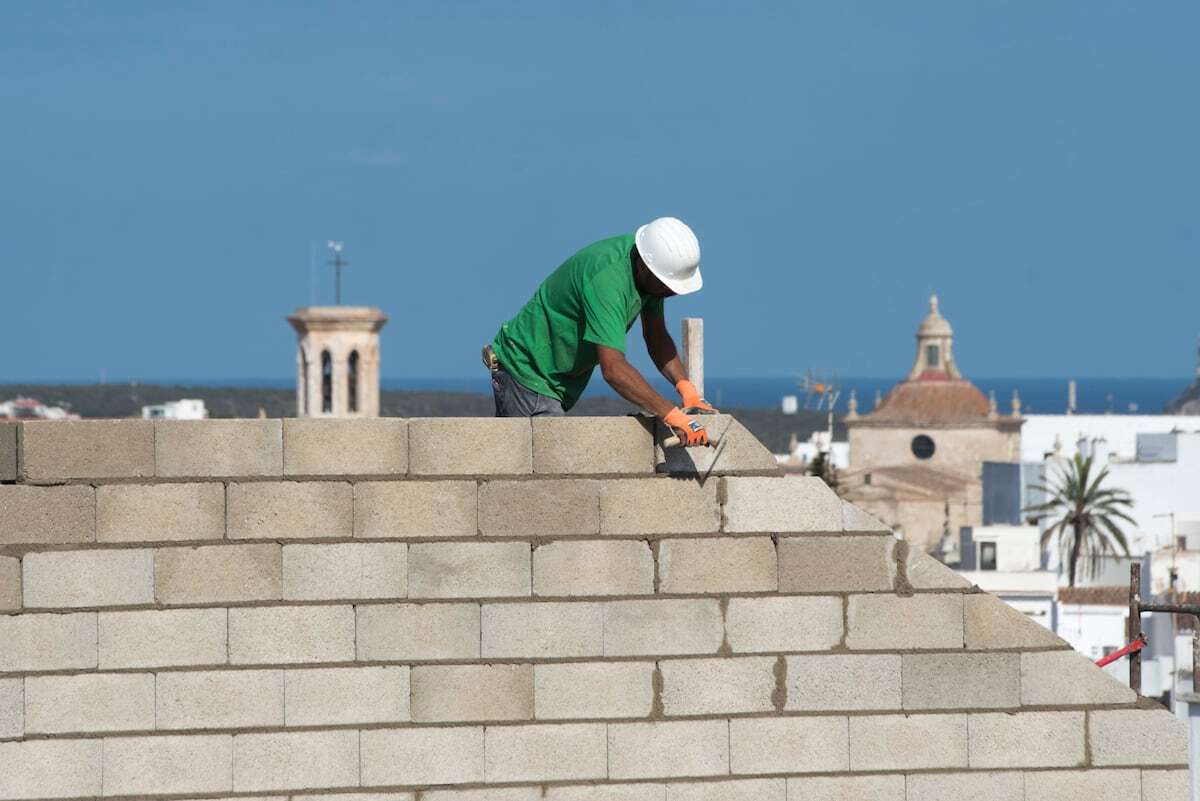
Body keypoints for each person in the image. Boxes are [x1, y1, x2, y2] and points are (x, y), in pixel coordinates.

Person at [482, 217, 714, 446]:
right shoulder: (608, 281)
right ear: (645, 267)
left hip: (555, 380)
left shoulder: (650, 269)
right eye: (667, 285)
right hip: (528, 372)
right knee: (545, 474)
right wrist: (671, 414)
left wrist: (687, 389)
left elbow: (656, 335)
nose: (671, 292)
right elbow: (613, 369)